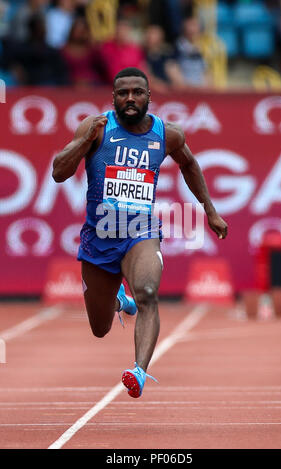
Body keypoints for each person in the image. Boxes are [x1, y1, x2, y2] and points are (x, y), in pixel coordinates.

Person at [52, 67, 228, 398]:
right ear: (114, 98)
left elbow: (189, 164)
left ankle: (140, 371)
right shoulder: (96, 128)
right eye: (123, 93)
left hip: (141, 230)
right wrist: (84, 143)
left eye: (137, 92)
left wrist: (210, 211)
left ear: (149, 97)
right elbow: (59, 172)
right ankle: (120, 300)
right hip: (99, 236)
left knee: (148, 292)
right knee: (99, 328)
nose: (130, 98)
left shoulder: (167, 134)